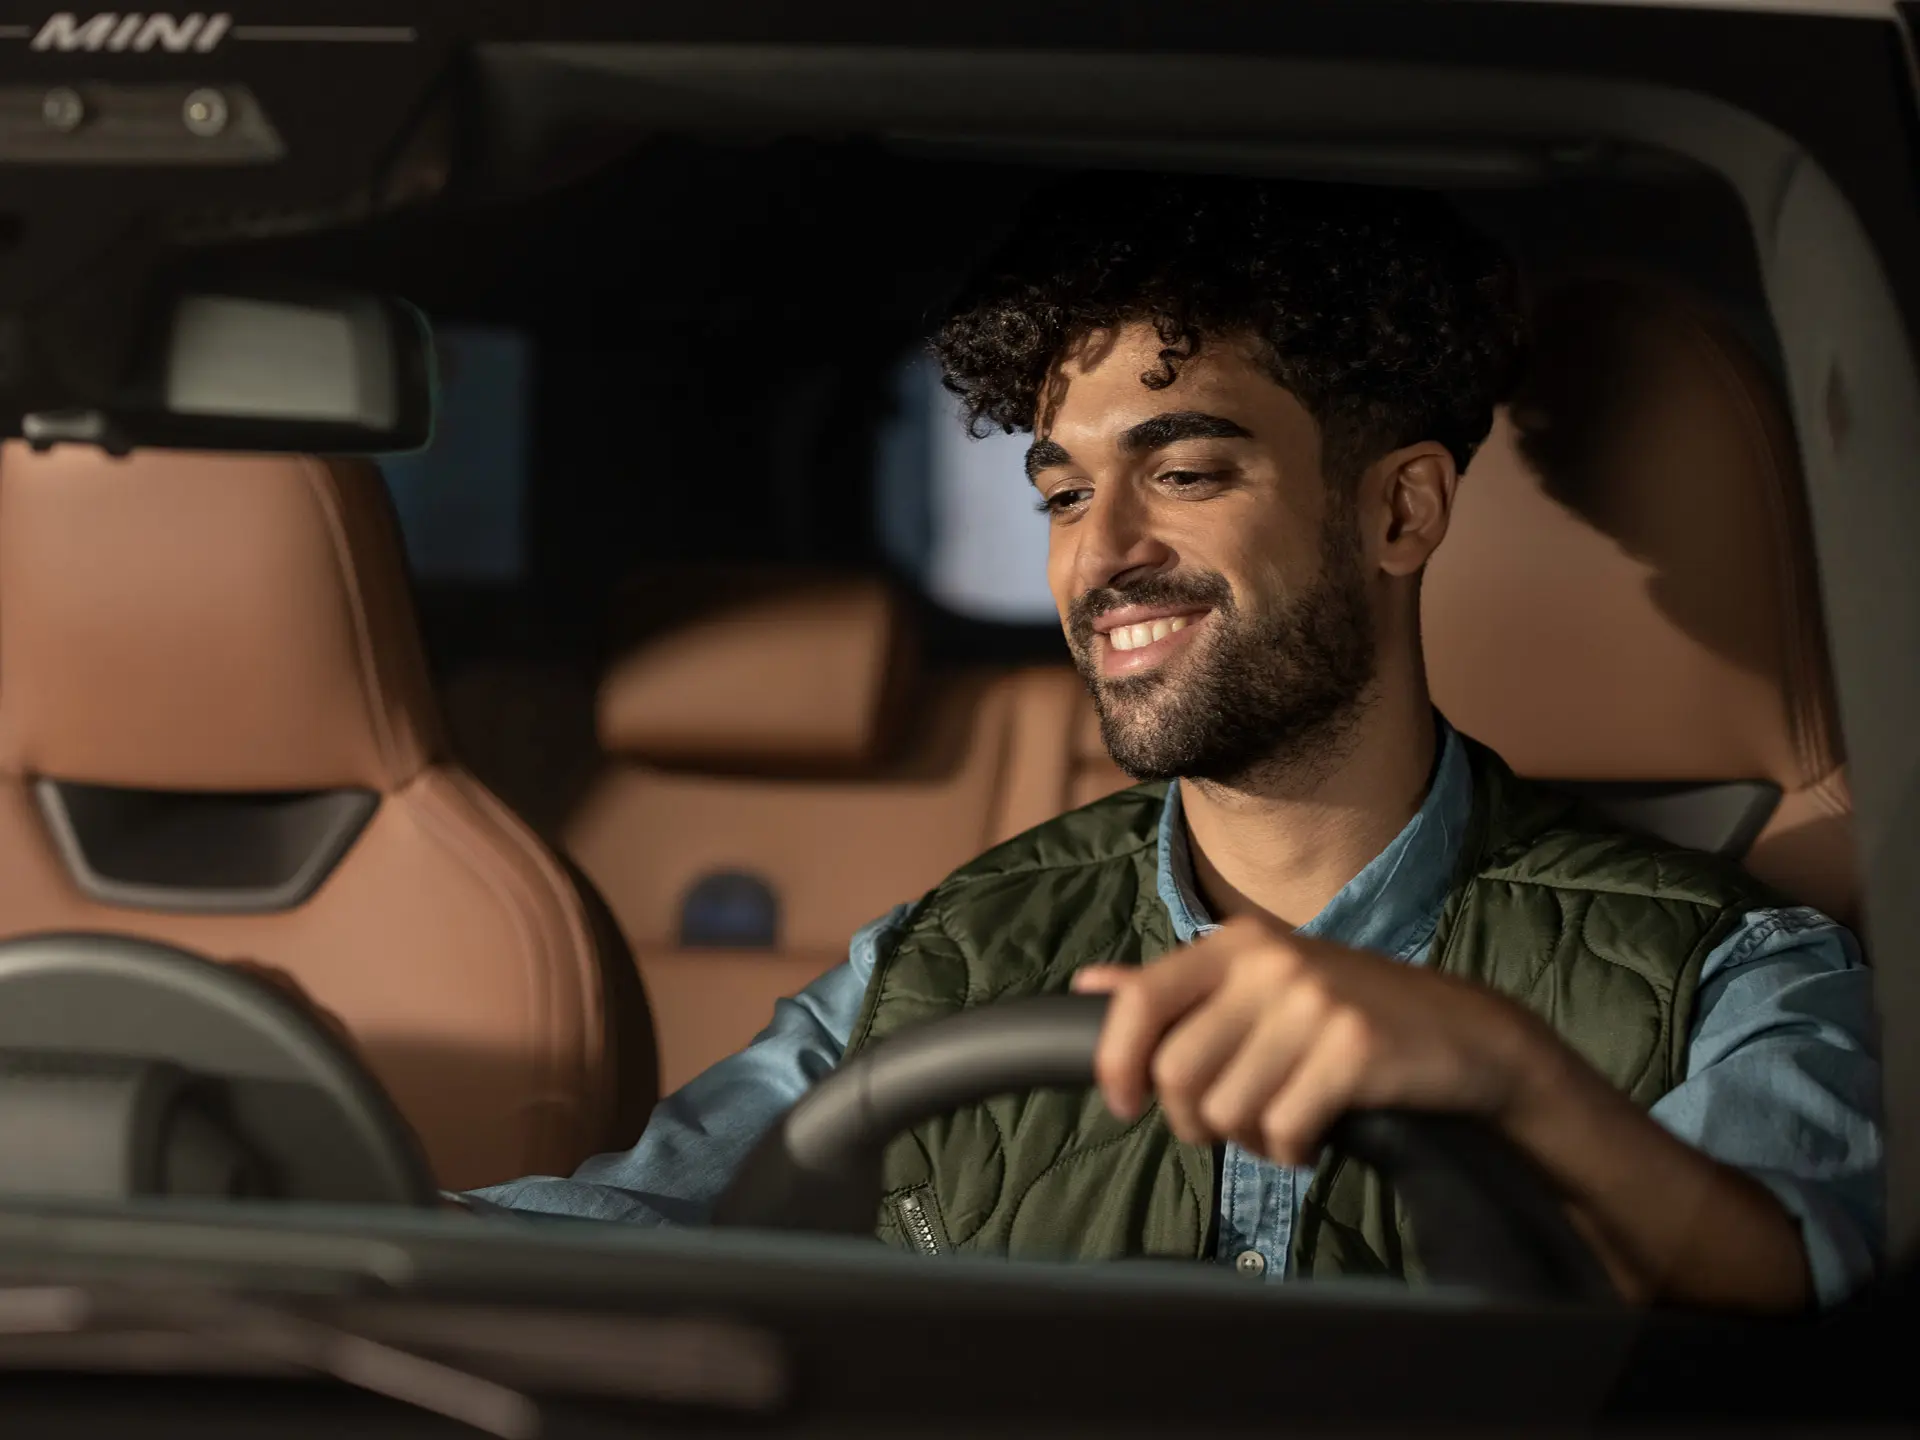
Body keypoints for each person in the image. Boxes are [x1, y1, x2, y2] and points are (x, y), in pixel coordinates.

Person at [468, 176, 1881, 1311]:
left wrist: (1514, 1077)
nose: (1103, 558)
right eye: (1064, 496)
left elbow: (1808, 1305)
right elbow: (605, 1237)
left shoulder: (1731, 969)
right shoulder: (938, 963)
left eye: (1188, 473)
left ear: (1401, 515)